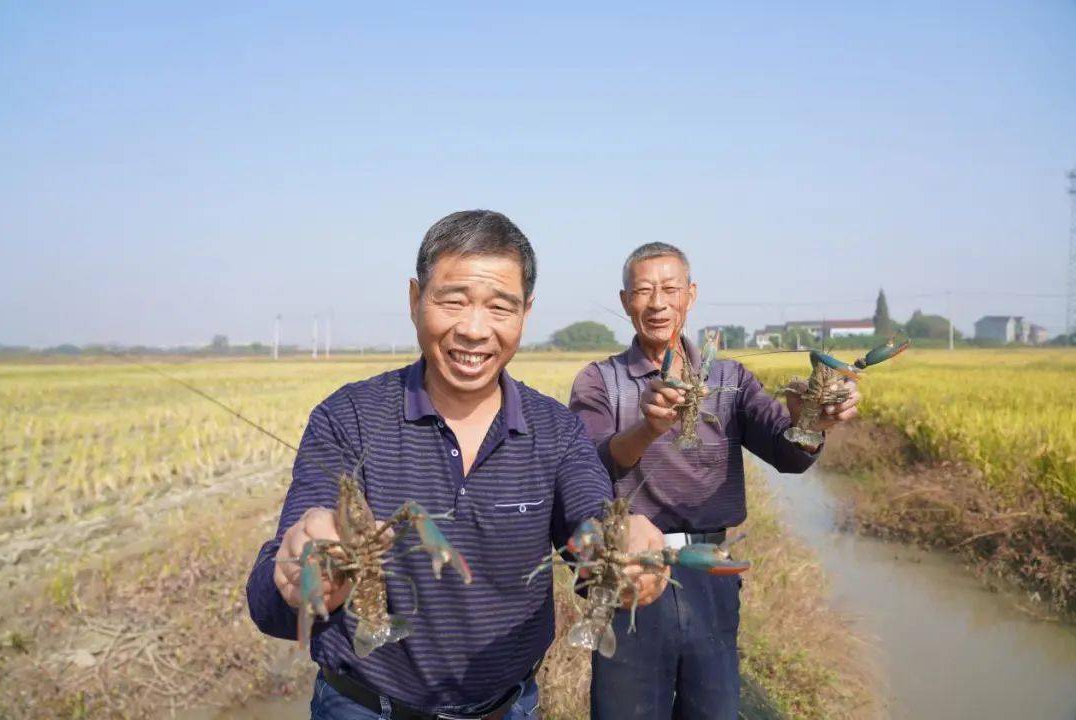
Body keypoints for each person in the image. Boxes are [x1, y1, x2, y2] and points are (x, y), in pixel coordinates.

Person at [246, 210, 667, 720]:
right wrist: (296, 574)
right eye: (453, 300)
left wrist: (624, 556)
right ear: (414, 299)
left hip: (508, 709)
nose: (474, 330)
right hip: (361, 706)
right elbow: (269, 606)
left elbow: (590, 528)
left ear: (524, 315)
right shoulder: (347, 417)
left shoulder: (557, 430)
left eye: (499, 307)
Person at [569, 242, 861, 720]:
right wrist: (648, 427)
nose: (658, 303)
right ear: (626, 301)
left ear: (691, 294)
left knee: (715, 709)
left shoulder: (730, 377)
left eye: (670, 289)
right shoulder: (600, 381)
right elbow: (590, 464)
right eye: (643, 291)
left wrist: (813, 422)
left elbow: (785, 450)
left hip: (710, 574)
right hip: (632, 571)